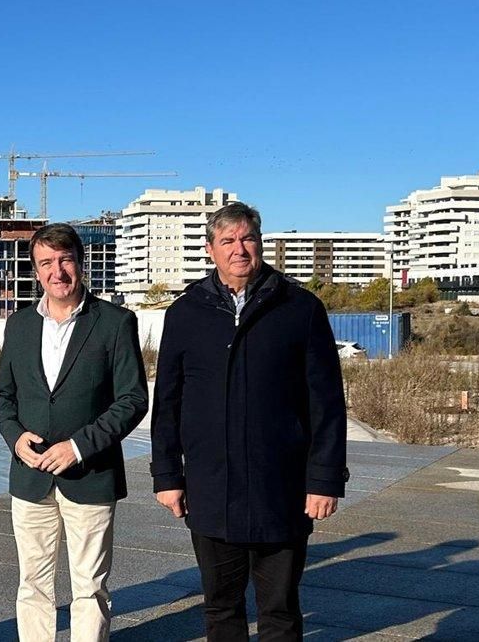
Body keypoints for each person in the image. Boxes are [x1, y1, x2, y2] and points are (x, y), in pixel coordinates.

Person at [150, 202, 348, 642]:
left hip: (281, 489)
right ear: (211, 249)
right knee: (221, 608)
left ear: (260, 243)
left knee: (280, 610)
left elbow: (327, 404)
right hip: (210, 489)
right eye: (227, 241)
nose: (238, 249)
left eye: (247, 238)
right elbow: (168, 404)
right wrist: (167, 476)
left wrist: (325, 480)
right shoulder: (185, 313)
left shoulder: (300, 308)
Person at [0, 223, 149, 642]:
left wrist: (78, 447)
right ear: (35, 270)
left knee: (90, 588)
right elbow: (3, 397)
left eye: (65, 260)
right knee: (32, 585)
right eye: (46, 263)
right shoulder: (19, 325)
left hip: (90, 474)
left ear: (81, 263)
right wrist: (15, 438)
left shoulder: (115, 322)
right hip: (30, 477)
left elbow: (132, 399)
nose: (57, 271)